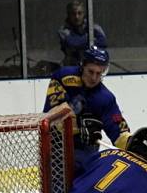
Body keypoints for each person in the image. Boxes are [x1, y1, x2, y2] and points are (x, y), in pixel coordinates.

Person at [43, 45, 130, 174]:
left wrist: (136, 144)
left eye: (99, 73)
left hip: (85, 156)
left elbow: (120, 134)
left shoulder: (105, 98)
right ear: (82, 65)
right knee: (56, 192)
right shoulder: (62, 77)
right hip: (56, 150)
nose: (94, 78)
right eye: (91, 71)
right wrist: (74, 116)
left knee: (81, 191)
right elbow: (50, 119)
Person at [58, 0, 107, 67]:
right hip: (71, 67)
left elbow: (103, 42)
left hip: (91, 67)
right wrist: (90, 38)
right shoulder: (63, 30)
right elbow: (73, 43)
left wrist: (82, 43)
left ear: (84, 14)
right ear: (69, 15)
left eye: (79, 13)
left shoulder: (93, 26)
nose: (77, 17)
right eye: (73, 14)